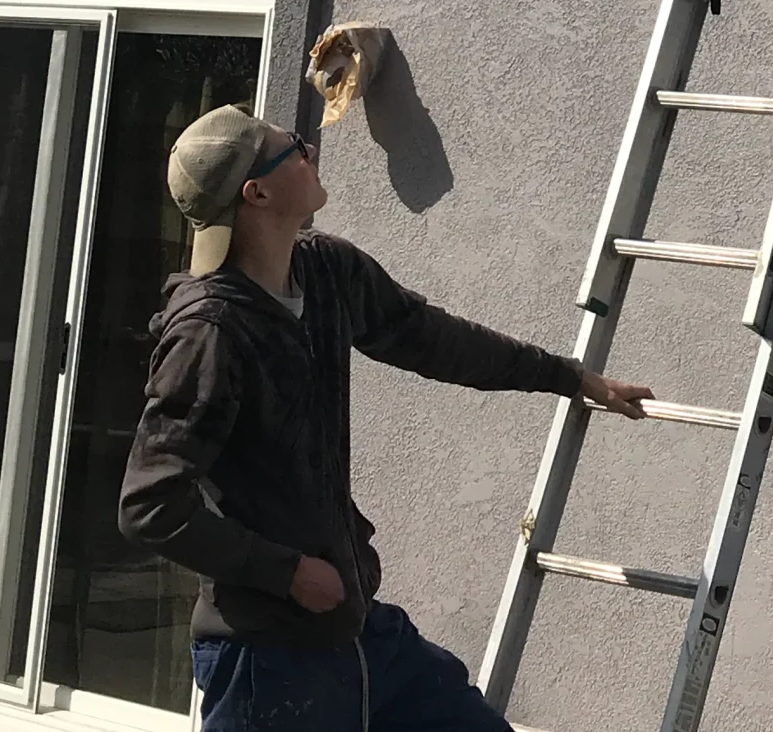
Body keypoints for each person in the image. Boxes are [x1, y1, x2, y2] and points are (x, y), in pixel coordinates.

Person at [120, 105, 652, 732]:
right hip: (267, 661)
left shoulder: (325, 272)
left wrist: (569, 376)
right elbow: (150, 506)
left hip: (358, 633)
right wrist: (288, 573)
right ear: (256, 194)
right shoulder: (210, 334)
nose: (310, 151)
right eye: (293, 148)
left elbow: (432, 339)